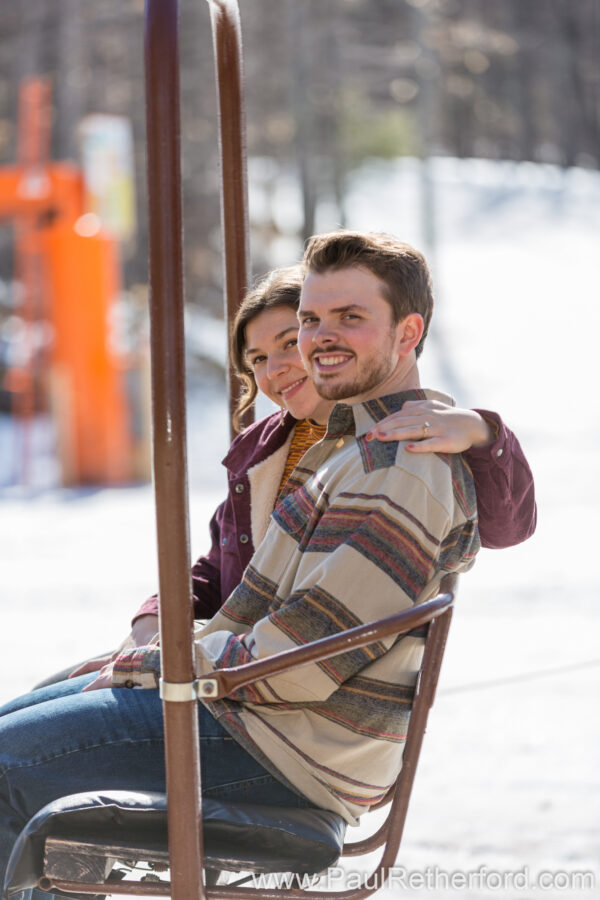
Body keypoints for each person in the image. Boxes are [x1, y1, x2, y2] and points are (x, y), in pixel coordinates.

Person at [0, 233, 529, 892]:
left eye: (350, 318)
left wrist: (161, 665)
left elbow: (304, 660)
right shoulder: (337, 450)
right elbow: (228, 583)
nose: (318, 338)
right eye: (310, 320)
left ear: (408, 331)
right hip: (254, 714)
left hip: (278, 743)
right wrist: (156, 636)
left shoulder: (401, 461)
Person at [69, 264, 535, 674]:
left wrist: (484, 433)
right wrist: (153, 620)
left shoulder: (396, 438)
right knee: (46, 697)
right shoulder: (265, 448)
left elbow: (506, 527)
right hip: (219, 652)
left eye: (289, 343)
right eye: (257, 361)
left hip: (267, 683)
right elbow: (219, 565)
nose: (273, 371)